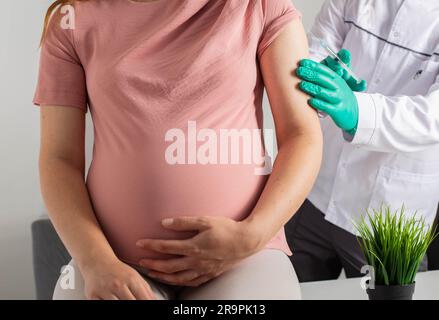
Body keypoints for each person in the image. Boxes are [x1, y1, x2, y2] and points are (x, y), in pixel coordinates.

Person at [34, 0, 322, 300]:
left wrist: (252, 235)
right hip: (115, 262)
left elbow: (301, 135)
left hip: (245, 257)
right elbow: (59, 160)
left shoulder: (260, 5)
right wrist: (95, 261)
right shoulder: (72, 19)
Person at [286, 0, 439, 282]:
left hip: (389, 215)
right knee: (290, 287)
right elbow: (314, 48)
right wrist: (324, 75)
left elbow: (433, 116)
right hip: (316, 189)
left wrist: (358, 111)